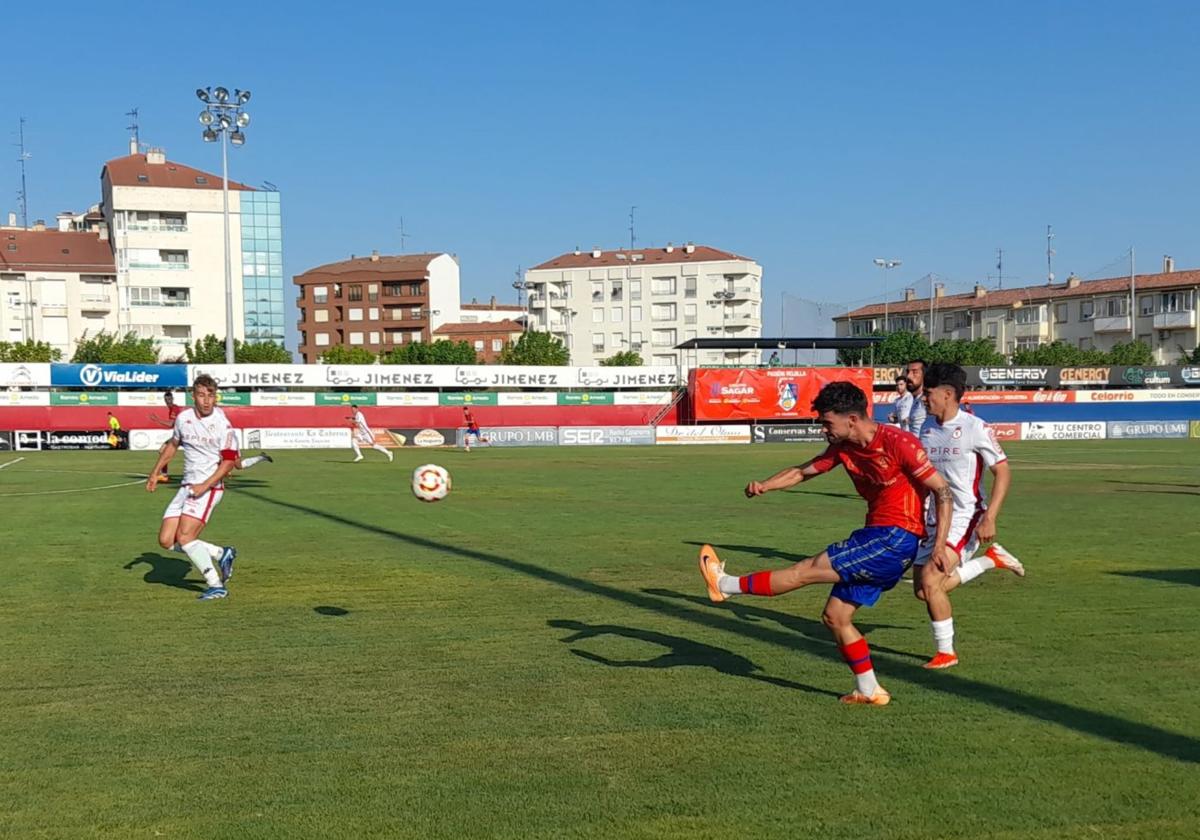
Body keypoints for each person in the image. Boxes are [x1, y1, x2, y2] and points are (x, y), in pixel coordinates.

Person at [698, 381, 954, 705]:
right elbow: (802, 473)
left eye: (826, 422)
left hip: (894, 537)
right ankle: (869, 689)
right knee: (836, 617)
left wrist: (940, 545)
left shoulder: (897, 442)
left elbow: (942, 491)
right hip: (880, 538)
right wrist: (765, 485)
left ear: (852, 419)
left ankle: (724, 585)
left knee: (806, 570)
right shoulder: (843, 448)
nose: (822, 429)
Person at [914, 363, 1025, 668]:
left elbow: (1002, 471)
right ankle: (992, 560)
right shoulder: (927, 427)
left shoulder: (975, 427)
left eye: (929, 392)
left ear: (948, 394)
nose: (924, 398)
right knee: (924, 591)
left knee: (931, 581)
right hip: (934, 518)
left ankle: (946, 653)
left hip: (966, 515)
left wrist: (990, 516)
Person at [145, 374, 239, 601]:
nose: (207, 400)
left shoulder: (223, 425)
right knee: (166, 541)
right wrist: (156, 471)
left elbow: (228, 463)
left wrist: (205, 485)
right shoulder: (183, 418)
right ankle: (220, 553)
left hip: (209, 487)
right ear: (193, 396)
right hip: (186, 486)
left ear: (216, 397)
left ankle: (216, 585)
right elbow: (173, 445)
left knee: (185, 537)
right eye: (201, 395)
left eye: (211, 395)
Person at [151, 390, 272, 482]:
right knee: (164, 449)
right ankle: (164, 475)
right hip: (194, 436)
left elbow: (172, 424)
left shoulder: (216, 414)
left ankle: (261, 457)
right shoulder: (190, 411)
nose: (207, 401)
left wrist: (157, 420)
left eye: (210, 397)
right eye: (166, 399)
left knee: (238, 465)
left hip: (227, 439)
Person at [901, 358, 927, 433]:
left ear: (924, 376)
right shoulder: (914, 399)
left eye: (914, 372)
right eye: (908, 372)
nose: (908, 376)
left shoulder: (927, 400)